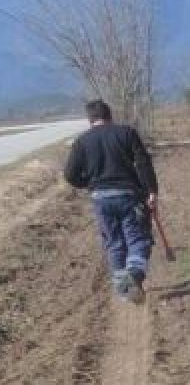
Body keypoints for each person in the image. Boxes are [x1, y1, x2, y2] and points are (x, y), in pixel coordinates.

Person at [63, 99, 159, 304]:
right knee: (138, 240)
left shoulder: (82, 141)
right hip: (129, 196)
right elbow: (143, 163)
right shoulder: (127, 133)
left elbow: (70, 175)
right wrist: (152, 191)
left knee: (114, 244)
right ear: (110, 115)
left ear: (90, 120)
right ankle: (134, 275)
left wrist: (89, 184)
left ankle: (125, 290)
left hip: (101, 199)